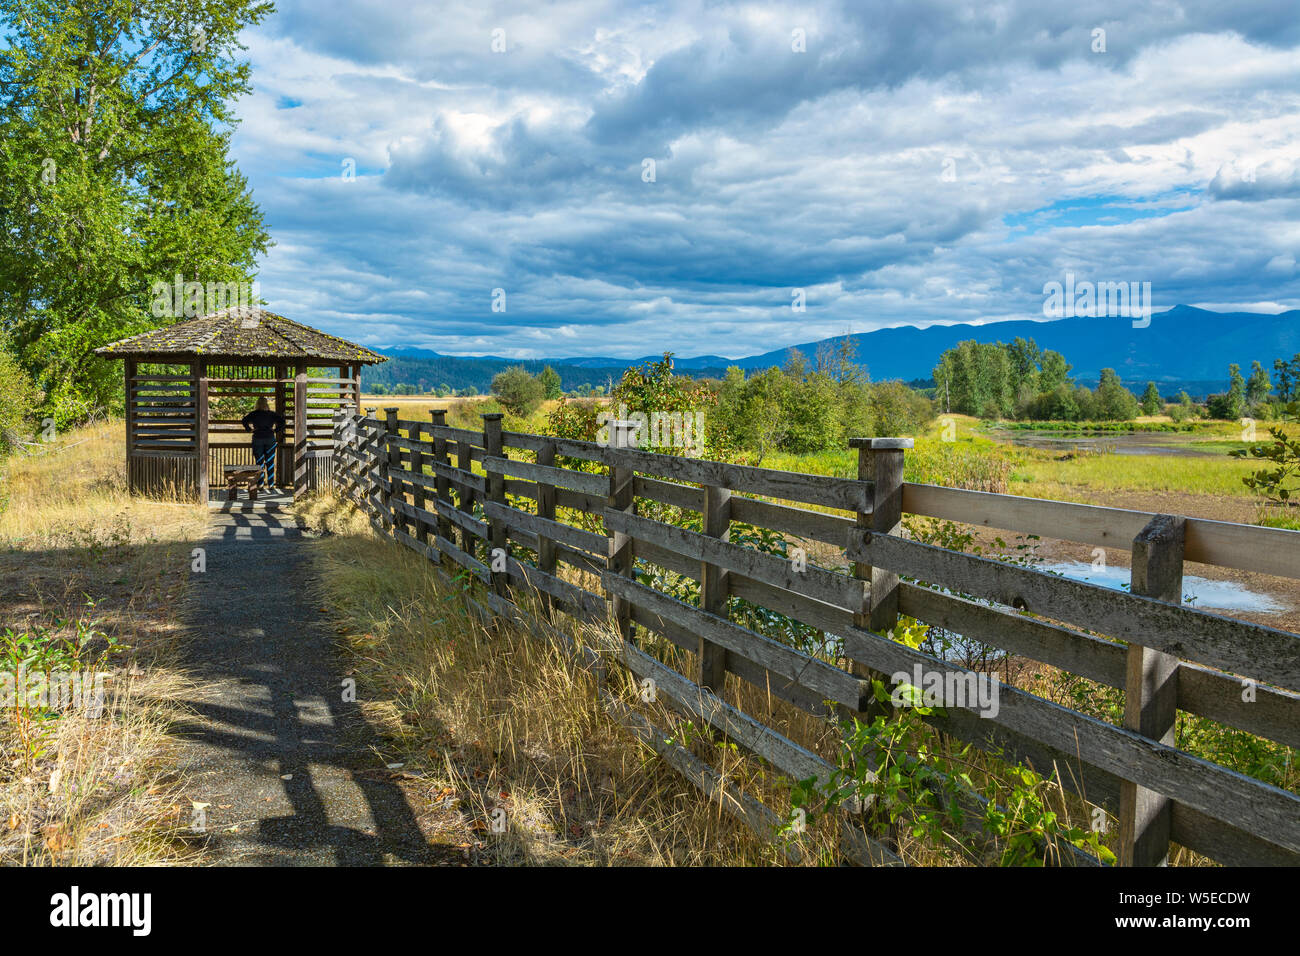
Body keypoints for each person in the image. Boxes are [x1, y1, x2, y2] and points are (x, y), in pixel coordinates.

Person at [241, 397, 286, 488]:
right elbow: (282, 421)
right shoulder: (271, 414)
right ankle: (271, 484)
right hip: (270, 438)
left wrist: (249, 429)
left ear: (257, 404)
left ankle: (260, 484)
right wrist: (276, 430)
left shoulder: (254, 414)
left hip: (257, 438)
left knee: (259, 462)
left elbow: (244, 420)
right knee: (270, 461)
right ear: (266, 404)